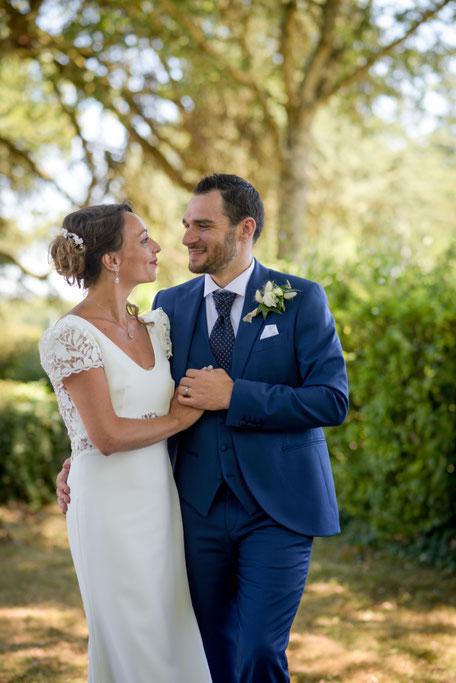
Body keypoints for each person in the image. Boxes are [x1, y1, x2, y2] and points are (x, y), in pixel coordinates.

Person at [57, 174, 349, 683]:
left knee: (259, 650)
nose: (187, 237)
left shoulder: (301, 298)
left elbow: (332, 400)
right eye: (186, 224)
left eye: (204, 226)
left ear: (245, 229)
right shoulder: (168, 305)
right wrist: (81, 451)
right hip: (192, 511)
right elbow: (139, 392)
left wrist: (237, 395)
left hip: (277, 509)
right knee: (207, 652)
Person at [39, 203, 212, 682]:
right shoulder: (69, 336)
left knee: (170, 630)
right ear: (112, 260)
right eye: (143, 239)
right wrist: (179, 420)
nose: (158, 246)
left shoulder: (156, 326)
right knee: (133, 637)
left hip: (160, 500)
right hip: (109, 507)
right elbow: (107, 434)